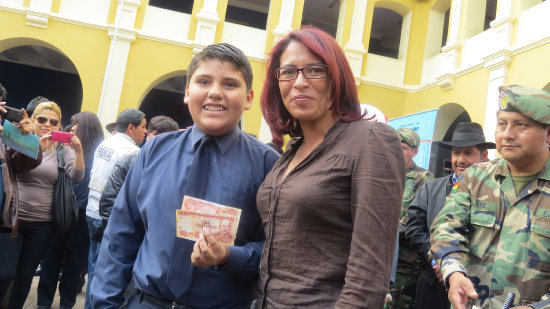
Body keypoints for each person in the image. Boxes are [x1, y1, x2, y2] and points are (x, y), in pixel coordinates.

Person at [90, 43, 280, 309]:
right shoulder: (153, 151)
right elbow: (121, 234)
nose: (215, 92)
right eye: (204, 81)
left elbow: (277, 251)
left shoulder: (267, 164)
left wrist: (230, 256)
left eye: (229, 84)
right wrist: (104, 304)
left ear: (248, 98)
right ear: (188, 92)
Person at [256, 26, 405, 308]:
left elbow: (369, 275)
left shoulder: (370, 140)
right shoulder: (291, 151)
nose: (299, 82)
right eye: (288, 72)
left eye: (314, 70)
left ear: (336, 77)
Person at [430, 85, 550, 309]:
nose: (507, 134)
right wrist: (454, 272)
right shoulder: (477, 177)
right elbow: (446, 227)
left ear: (548, 133)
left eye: (521, 125)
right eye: (502, 124)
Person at [0, 101, 84, 309]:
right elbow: (14, 167)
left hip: (43, 224)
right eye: (42, 119)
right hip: (13, 219)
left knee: (25, 275)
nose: (48, 124)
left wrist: (79, 151)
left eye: (54, 121)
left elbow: (77, 175)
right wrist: (31, 142)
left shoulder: (63, 149)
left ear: (59, 125)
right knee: (5, 273)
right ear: (32, 119)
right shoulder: (21, 139)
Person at [405, 122, 494, 309]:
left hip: (475, 290)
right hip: (432, 285)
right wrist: (440, 261)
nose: (460, 159)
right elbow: (414, 227)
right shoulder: (432, 188)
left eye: (468, 153)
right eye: (456, 152)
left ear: (484, 155)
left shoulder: (497, 193)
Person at [37, 112, 104, 309]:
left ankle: (66, 303)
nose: (72, 128)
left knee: (75, 264)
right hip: (62, 211)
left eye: (76, 124)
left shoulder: (100, 151)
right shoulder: (66, 146)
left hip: (82, 216)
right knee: (51, 257)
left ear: (87, 128)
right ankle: (43, 303)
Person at [84, 108, 146, 309]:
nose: (145, 132)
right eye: (143, 127)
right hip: (108, 217)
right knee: (104, 274)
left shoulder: (105, 142)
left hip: (92, 210)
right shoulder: (132, 153)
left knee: (94, 268)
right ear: (131, 127)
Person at [0, 84, 43, 305]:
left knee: (5, 275)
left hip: (4, 221)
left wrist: (28, 135)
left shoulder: (5, 139)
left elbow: (27, 163)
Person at [388, 127, 434, 309]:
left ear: (415, 151)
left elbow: (416, 219)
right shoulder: (384, 175)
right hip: (380, 260)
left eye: (403, 147)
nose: (397, 151)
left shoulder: (424, 178)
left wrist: (382, 231)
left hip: (406, 265)